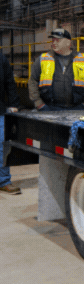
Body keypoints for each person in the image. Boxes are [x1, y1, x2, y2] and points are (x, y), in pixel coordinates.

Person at [29, 28, 84, 111]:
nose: (54, 43)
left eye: (58, 40)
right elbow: (33, 81)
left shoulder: (83, 59)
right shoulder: (43, 59)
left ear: (68, 42)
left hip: (78, 108)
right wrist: (39, 103)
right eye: (53, 40)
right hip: (49, 108)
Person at [0, 52, 21, 194]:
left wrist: (14, 104)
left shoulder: (1, 59)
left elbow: (10, 82)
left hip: (0, 110)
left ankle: (4, 180)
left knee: (3, 145)